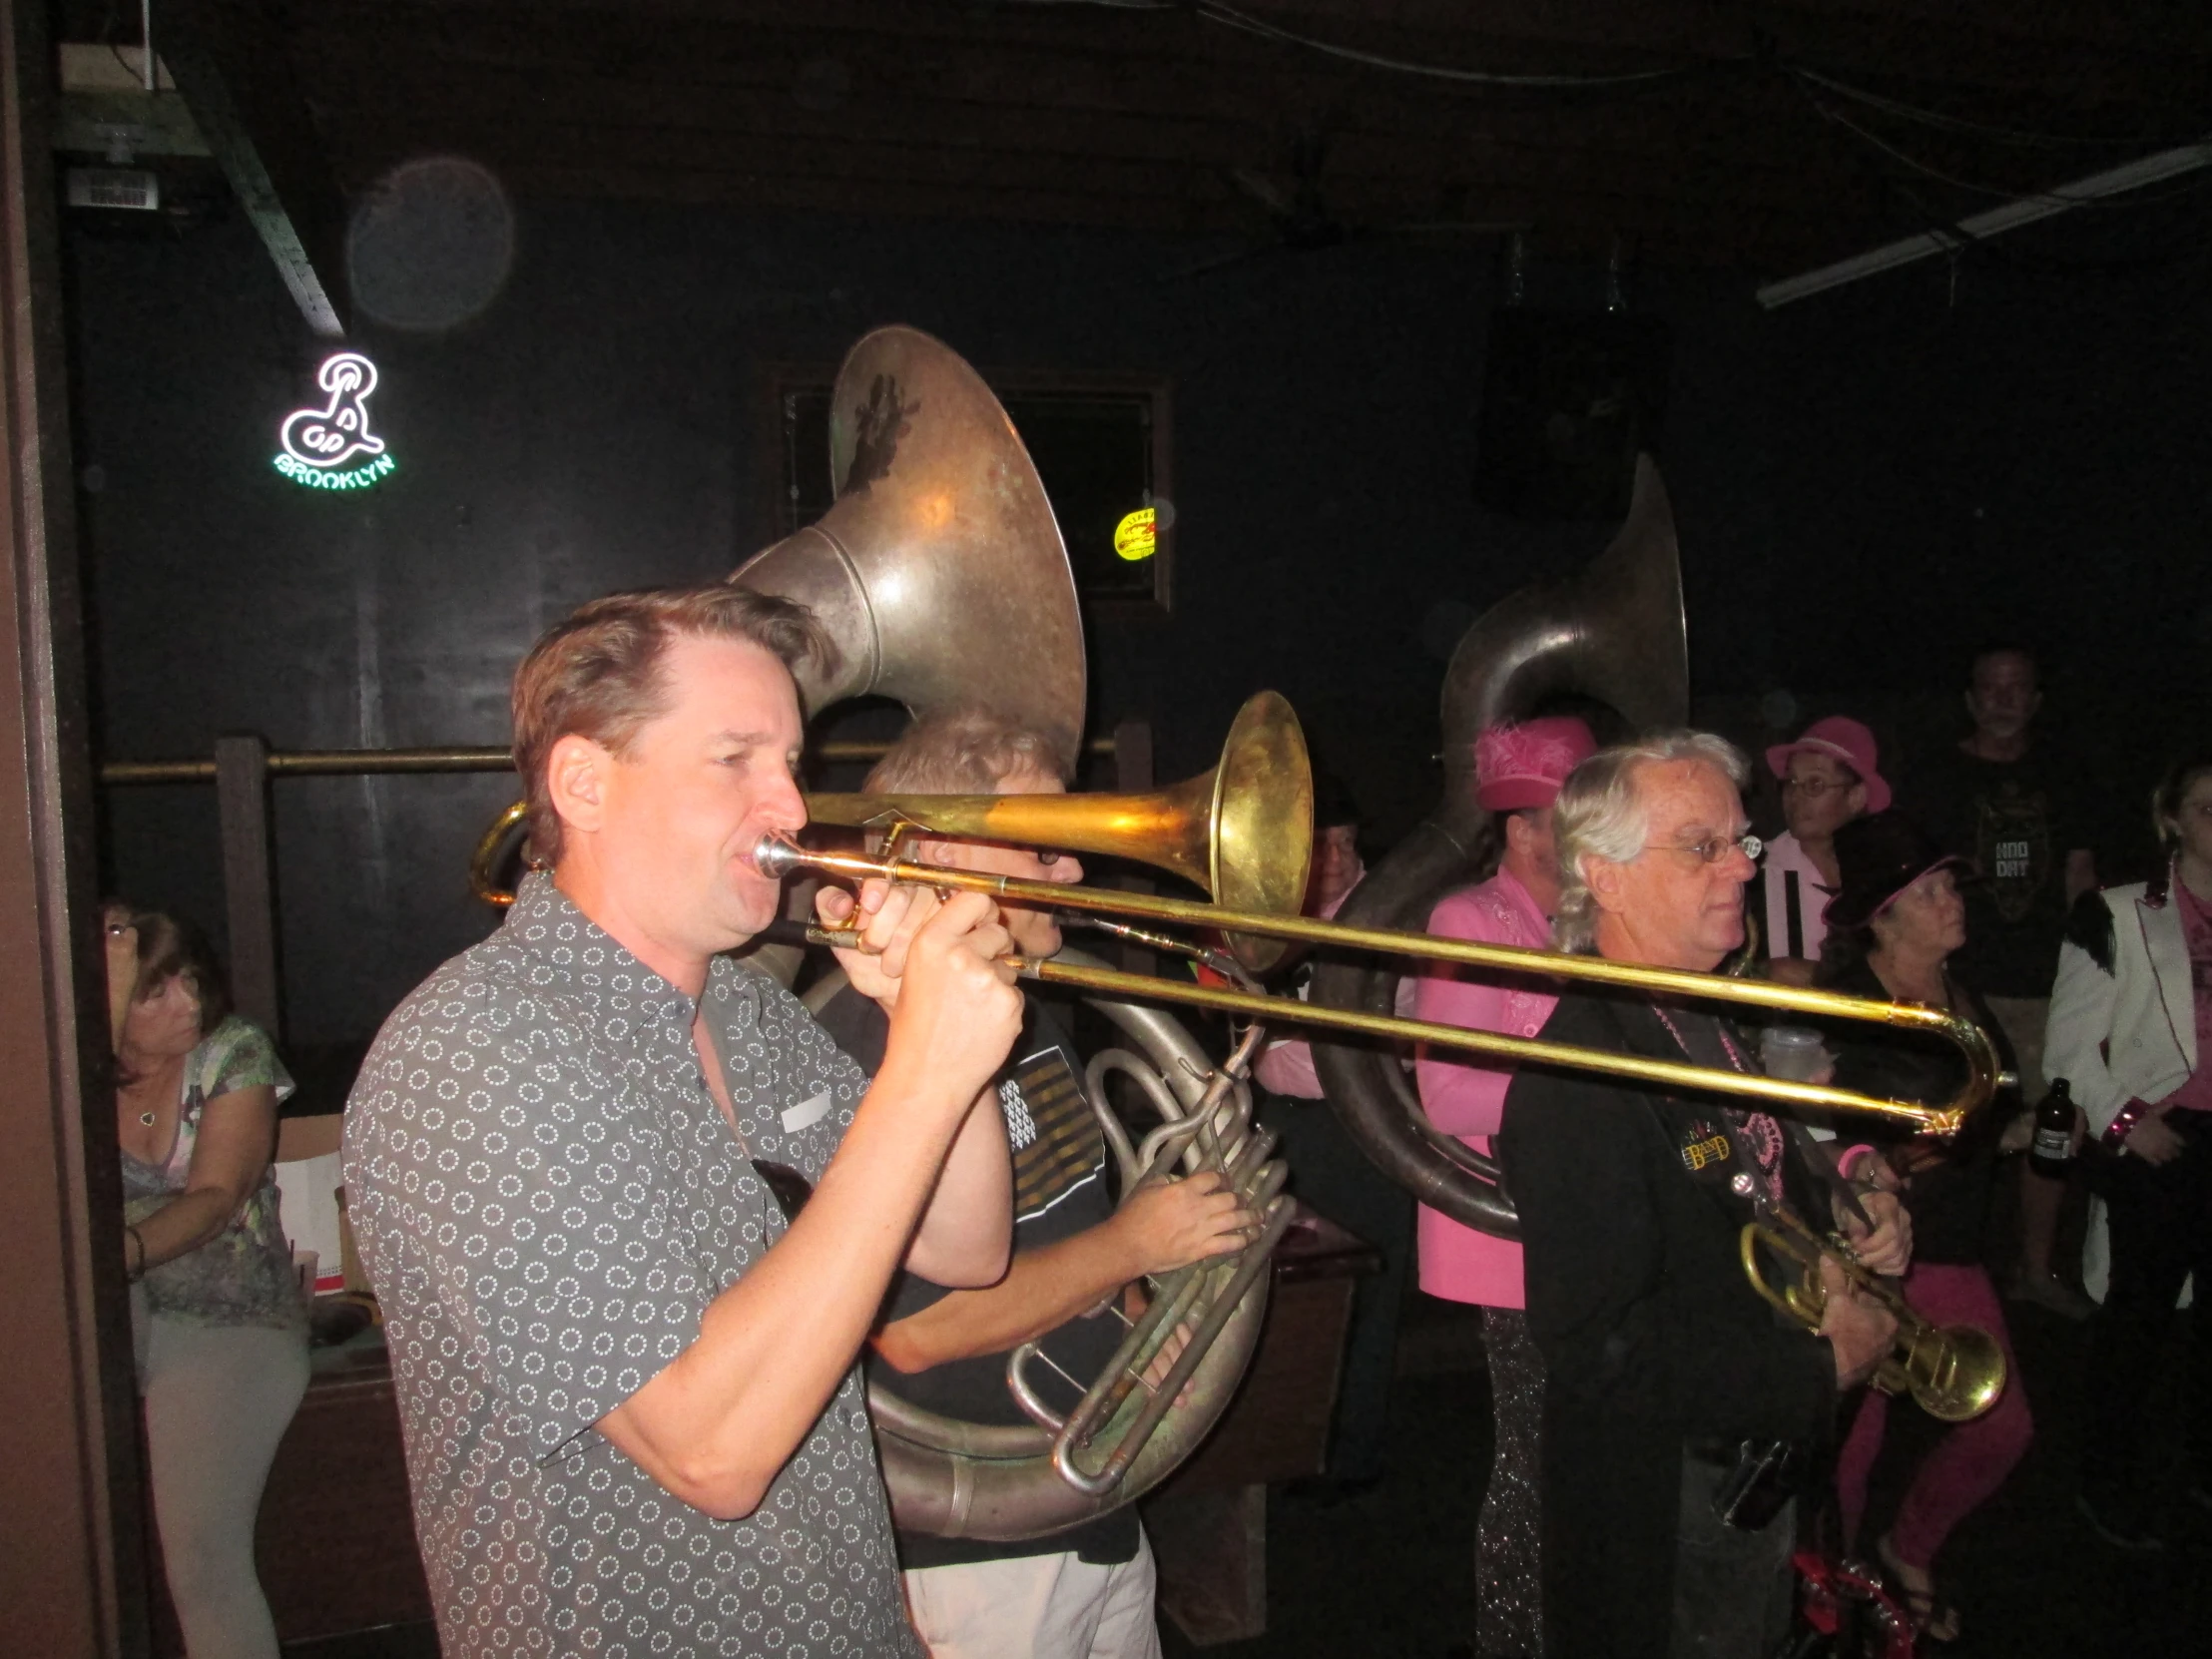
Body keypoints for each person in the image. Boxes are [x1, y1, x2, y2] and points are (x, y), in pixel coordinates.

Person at [344, 583, 1024, 1658]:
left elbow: (966, 1245)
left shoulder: (749, 1008)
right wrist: (924, 1079)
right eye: (734, 759)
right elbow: (712, 1451)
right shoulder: (469, 1051)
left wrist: (920, 1028)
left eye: (790, 762)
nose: (792, 808)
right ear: (584, 782)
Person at [812, 708, 1254, 1658]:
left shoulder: (1019, 1013)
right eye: (1045, 848)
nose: (1074, 871)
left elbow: (1069, 1224)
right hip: (978, 1561)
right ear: (935, 853)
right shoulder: (871, 1044)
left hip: (1092, 1493)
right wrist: (1138, 1244)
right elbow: (909, 1336)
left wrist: (1146, 1319)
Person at [1497, 732, 1911, 1659]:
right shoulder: (1577, 1075)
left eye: (1740, 842)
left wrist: (1852, 1199)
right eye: (1702, 846)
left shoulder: (1698, 1016)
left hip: (1739, 1461)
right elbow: (1595, 1344)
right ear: (1602, 876)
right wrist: (1816, 1369)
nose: (1739, 867)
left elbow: (1757, 1175)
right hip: (1671, 1497)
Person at [1817, 812, 2032, 1644]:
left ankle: (1910, 1547)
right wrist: (1900, 1159)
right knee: (1850, 1450)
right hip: (1865, 1257)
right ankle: (1829, 1582)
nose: (1953, 901)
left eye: (1950, 886)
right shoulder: (1846, 1007)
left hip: (1950, 1246)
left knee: (2001, 1423)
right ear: (1885, 913)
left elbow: (1987, 1103)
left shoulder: (1961, 991)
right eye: (1933, 889)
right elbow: (1833, 1131)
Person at [1410, 714, 1594, 1659]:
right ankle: (1511, 1644)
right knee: (1530, 1468)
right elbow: (1442, 1090)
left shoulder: (1582, 920)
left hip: (1569, 1227)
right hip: (1509, 1235)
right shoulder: (1465, 920)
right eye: (1581, 813)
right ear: (1523, 830)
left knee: (1565, 1464)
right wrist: (1588, 1087)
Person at [112, 904, 306, 1659]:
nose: (188, 1003)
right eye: (154, 991)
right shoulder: (62, 1067)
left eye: (190, 980)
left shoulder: (235, 1052)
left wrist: (112, 1258)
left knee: (200, 1563)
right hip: (127, 1317)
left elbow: (217, 1199)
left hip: (232, 1321)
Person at [2046, 748, 2212, 1550]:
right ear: (2172, 820)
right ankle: (2104, 1480)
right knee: (2136, 1327)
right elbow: (2068, 1051)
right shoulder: (2115, 913)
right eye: (2209, 808)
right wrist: (2123, 1122)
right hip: (2162, 1140)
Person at [1911, 644, 2097, 1318]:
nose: (2004, 698)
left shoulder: (2063, 771)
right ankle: (1954, 1279)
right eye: (1991, 687)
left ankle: (2037, 1269)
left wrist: (2092, 969)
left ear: (2036, 699)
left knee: (2049, 1129)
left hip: (2049, 983)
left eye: (2018, 687)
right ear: (1970, 698)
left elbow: (2079, 873)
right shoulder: (1936, 774)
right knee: (1962, 1132)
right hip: (1965, 981)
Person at [1249, 772, 1415, 1491]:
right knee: (1289, 1296)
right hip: (1291, 1131)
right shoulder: (1278, 914)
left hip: (1364, 1134)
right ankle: (1291, 1448)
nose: (1339, 856)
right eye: (1323, 842)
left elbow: (1343, 1058)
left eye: (1347, 841)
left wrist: (1268, 1052)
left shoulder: (1390, 919)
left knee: (1364, 1301)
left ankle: (1349, 1461)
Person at [1755, 716, 1888, 986]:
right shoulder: (1752, 872)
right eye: (1790, 782)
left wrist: (1820, 979)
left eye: (1815, 784)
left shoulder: (1888, 879)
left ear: (1856, 797)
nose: (1794, 796)